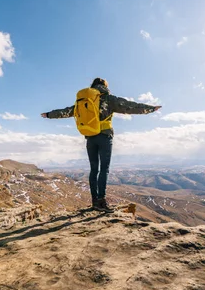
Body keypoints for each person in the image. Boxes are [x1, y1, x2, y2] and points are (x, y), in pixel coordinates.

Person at [41, 78, 161, 212]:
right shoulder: (109, 99)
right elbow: (130, 106)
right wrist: (151, 109)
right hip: (104, 136)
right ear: (105, 86)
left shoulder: (85, 100)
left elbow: (68, 111)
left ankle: (94, 202)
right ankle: (101, 201)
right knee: (104, 169)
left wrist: (49, 114)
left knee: (94, 170)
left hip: (90, 138)